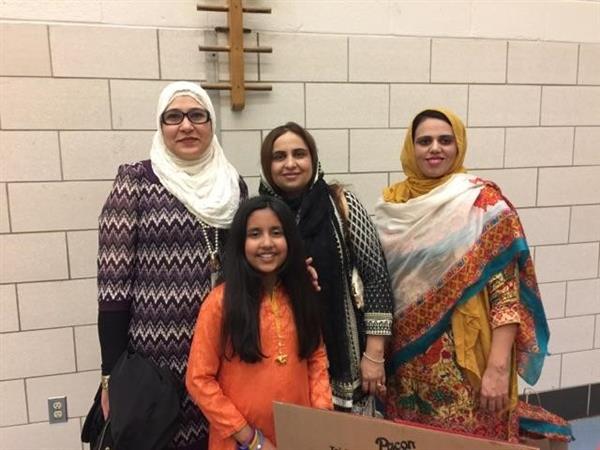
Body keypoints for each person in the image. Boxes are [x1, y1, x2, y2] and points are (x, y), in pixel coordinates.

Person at [374, 108, 565, 442]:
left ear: (458, 145)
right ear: (411, 147)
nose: (435, 148)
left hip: (469, 364)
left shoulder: (484, 204)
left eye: (445, 140)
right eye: (425, 141)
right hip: (406, 365)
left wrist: (497, 367)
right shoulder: (393, 207)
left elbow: (507, 297)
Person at [96, 81, 246, 450]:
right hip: (156, 360)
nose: (186, 126)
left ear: (211, 124)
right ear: (160, 126)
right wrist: (110, 375)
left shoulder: (233, 185)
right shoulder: (136, 182)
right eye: (173, 117)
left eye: (198, 115)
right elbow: (112, 287)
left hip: (221, 351)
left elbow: (250, 260)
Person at [258, 122, 394, 411]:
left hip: (348, 361)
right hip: (285, 362)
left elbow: (377, 277)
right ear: (266, 165)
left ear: (313, 159)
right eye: (279, 157)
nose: (290, 164)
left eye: (299, 154)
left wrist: (374, 353)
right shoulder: (259, 216)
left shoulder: (341, 203)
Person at [186, 196, 333, 450]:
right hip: (239, 442)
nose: (267, 243)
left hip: (298, 439)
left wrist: (318, 421)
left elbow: (316, 358)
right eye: (255, 234)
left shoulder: (301, 296)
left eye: (276, 232)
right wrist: (252, 440)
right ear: (241, 243)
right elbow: (199, 380)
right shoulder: (220, 302)